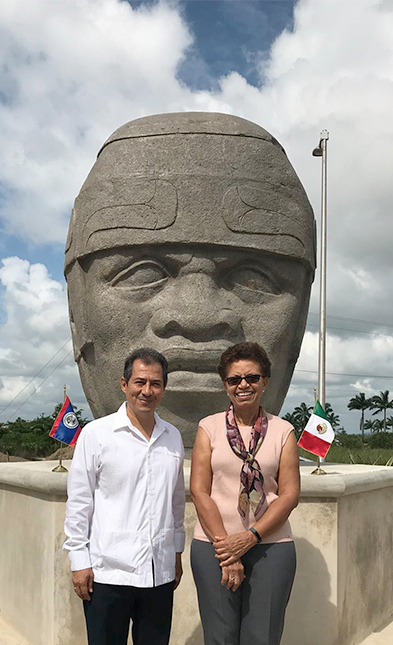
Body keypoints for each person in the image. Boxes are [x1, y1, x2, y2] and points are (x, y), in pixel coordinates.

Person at [64, 112, 316, 447]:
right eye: (144, 273)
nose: (198, 317)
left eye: (253, 279)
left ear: (299, 320)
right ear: (78, 310)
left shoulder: (280, 442)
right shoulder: (95, 445)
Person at [63, 347, 185, 645]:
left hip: (157, 571)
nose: (147, 390)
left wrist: (176, 550)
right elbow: (80, 503)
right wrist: (79, 560)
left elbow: (175, 502)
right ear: (124, 384)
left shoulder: (171, 437)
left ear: (163, 388)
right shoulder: (97, 435)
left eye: (155, 383)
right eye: (140, 382)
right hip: (108, 570)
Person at [190, 341, 300, 645]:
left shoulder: (283, 431)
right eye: (234, 378)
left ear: (265, 381)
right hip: (213, 546)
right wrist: (226, 547)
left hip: (271, 547)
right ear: (225, 384)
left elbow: (289, 493)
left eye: (252, 377)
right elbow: (200, 490)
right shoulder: (209, 428)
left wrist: (249, 538)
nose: (243, 385)